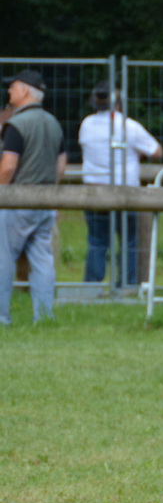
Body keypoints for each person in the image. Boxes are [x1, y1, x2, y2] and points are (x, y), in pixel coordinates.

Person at [0, 69, 72, 324]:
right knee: (42, 261)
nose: (9, 92)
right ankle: (44, 317)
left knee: (3, 257)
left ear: (25, 91)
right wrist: (50, 187)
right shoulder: (53, 122)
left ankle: (2, 317)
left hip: (17, 200)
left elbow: (8, 166)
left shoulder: (17, 124)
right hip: (44, 201)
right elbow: (61, 162)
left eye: (13, 87)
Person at [77, 82, 161, 286]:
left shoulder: (86, 124)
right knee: (130, 242)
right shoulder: (128, 126)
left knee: (97, 242)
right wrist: (135, 152)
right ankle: (127, 283)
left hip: (94, 192)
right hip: (125, 193)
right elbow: (156, 151)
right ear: (119, 103)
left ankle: (92, 285)